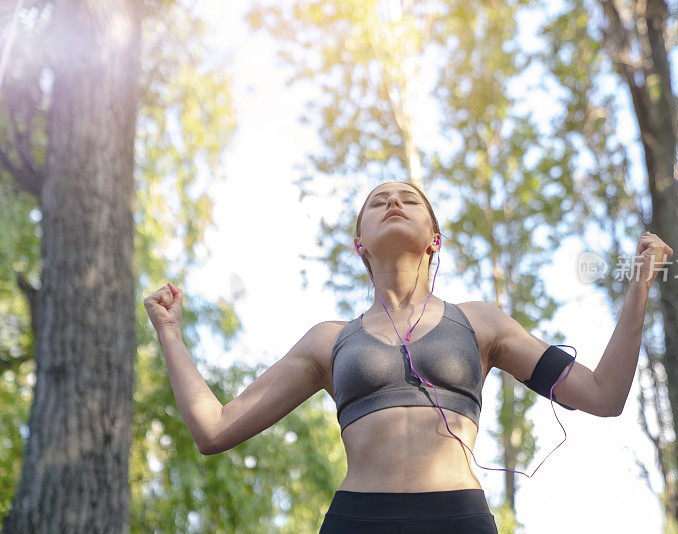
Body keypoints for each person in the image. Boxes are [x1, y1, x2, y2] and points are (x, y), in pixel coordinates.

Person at [143, 181, 619, 533]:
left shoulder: (481, 322)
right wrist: (170, 334)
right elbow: (214, 429)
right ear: (359, 246)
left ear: (435, 238)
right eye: (378, 201)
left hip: (458, 517)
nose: (394, 202)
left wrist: (638, 290)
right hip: (358, 519)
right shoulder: (327, 341)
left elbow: (602, 395)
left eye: (409, 199)